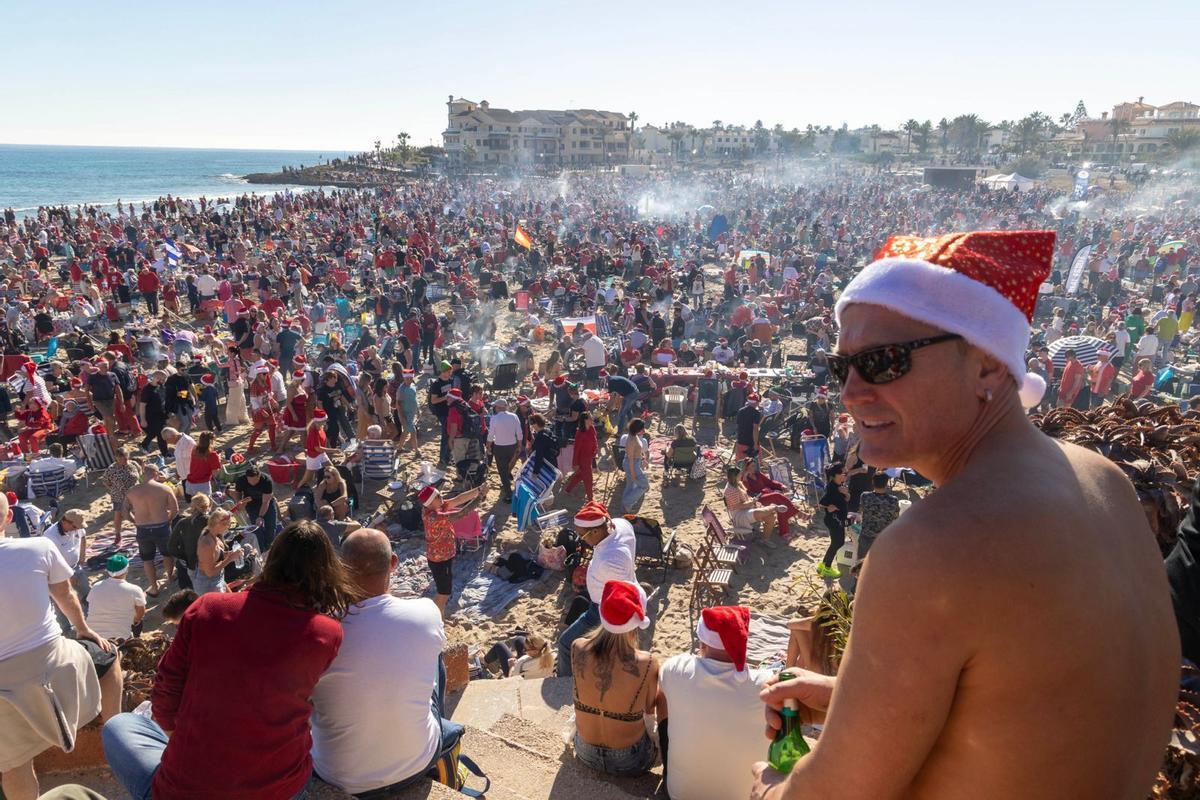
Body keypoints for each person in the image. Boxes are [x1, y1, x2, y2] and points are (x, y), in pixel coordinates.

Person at [750, 230, 1179, 800]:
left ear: (985, 365)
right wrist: (853, 696)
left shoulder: (931, 549)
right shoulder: (1105, 483)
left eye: (883, 362)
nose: (851, 392)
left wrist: (772, 788)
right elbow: (1041, 709)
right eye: (843, 365)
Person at [101, 521, 354, 800]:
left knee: (119, 726)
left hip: (186, 788)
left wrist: (190, 743)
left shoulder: (208, 607)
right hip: (280, 788)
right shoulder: (326, 634)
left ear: (272, 562)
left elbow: (165, 696)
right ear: (327, 572)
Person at [310, 528, 457, 797]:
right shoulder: (426, 612)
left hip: (338, 775)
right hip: (416, 761)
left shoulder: (319, 632)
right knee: (434, 662)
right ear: (393, 563)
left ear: (340, 568)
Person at [0, 488, 120, 800]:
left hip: (3, 688)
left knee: (13, 764)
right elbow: (66, 596)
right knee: (110, 657)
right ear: (9, 517)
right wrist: (83, 630)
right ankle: (116, 740)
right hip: (52, 666)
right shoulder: (38, 546)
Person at [658, 605, 772, 800]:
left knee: (667, 704)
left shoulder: (674, 669)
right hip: (744, 795)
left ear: (702, 644)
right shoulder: (766, 683)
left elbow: (662, 706)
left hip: (681, 793)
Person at [571, 580, 659, 778]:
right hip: (629, 760)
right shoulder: (648, 662)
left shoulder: (577, 647)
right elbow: (650, 713)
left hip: (585, 750)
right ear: (636, 622)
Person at [557, 501, 638, 676]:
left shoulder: (610, 560)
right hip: (608, 596)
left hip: (604, 609)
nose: (581, 539)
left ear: (595, 531)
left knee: (565, 644)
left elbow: (617, 596)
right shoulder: (621, 525)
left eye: (582, 535)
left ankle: (563, 685)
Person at [418, 484, 482, 615]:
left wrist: (478, 489)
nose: (441, 496)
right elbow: (462, 513)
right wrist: (480, 497)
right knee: (444, 594)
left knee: (443, 591)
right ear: (430, 502)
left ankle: (439, 618)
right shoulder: (434, 517)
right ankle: (436, 619)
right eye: (437, 496)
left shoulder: (433, 507)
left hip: (441, 557)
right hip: (441, 561)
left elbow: (458, 500)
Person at [123, 462, 179, 597]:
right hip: (161, 526)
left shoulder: (132, 491)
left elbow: (124, 511)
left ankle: (154, 587)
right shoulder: (164, 489)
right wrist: (169, 519)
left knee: (147, 559)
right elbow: (175, 509)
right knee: (167, 554)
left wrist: (134, 521)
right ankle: (170, 578)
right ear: (155, 473)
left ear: (143, 474)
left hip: (143, 528)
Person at [85, 554, 146, 642]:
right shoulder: (135, 589)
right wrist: (134, 620)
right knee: (138, 620)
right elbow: (141, 612)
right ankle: (136, 638)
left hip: (93, 636)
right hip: (120, 637)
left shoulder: (96, 586)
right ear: (126, 570)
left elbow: (90, 604)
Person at [723, 464, 782, 547]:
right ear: (735, 476)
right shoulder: (730, 490)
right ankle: (774, 507)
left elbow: (745, 495)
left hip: (746, 508)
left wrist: (752, 500)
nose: (741, 476)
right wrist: (751, 502)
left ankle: (764, 540)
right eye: (739, 475)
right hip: (739, 514)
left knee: (771, 517)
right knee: (763, 512)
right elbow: (738, 506)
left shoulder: (737, 483)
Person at [230, 462, 280, 551]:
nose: (252, 483)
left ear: (259, 476)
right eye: (250, 480)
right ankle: (261, 549)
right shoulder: (241, 480)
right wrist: (239, 503)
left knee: (271, 528)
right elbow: (238, 493)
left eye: (255, 480)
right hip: (251, 504)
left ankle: (269, 547)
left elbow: (265, 502)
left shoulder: (266, 481)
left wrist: (260, 516)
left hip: (266, 502)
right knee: (257, 530)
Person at [167, 493, 211, 592]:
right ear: (207, 507)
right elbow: (223, 546)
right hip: (206, 566)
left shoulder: (182, 522)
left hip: (186, 567)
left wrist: (183, 558)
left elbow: (171, 547)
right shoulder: (210, 522)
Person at [856, 472, 900, 560]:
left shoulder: (865, 496)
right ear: (886, 483)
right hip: (884, 537)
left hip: (867, 535)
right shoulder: (893, 500)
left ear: (873, 482)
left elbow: (861, 511)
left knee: (861, 562)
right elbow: (896, 517)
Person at [815, 463, 849, 578]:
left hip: (839, 519)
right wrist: (829, 507)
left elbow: (847, 499)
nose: (845, 475)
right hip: (834, 520)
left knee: (835, 543)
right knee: (838, 542)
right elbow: (821, 503)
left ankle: (822, 565)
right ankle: (827, 568)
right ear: (835, 475)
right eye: (843, 473)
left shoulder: (841, 485)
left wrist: (846, 494)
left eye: (846, 473)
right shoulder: (832, 487)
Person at [486, 397, 521, 503]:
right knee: (508, 467)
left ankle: (508, 493)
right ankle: (508, 485)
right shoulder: (514, 416)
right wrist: (519, 446)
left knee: (502, 470)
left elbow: (491, 435)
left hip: (500, 447)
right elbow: (519, 433)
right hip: (512, 446)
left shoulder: (494, 418)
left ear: (497, 407)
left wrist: (488, 446)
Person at [563, 412, 598, 500]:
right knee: (588, 478)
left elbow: (595, 440)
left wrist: (595, 450)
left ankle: (567, 490)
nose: (592, 419)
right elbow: (576, 449)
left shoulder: (591, 428)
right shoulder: (580, 433)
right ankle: (590, 498)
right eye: (590, 418)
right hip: (582, 459)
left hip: (589, 457)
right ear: (585, 420)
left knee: (581, 475)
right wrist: (575, 463)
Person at [622, 418, 650, 512]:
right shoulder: (630, 440)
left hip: (635, 462)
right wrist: (633, 473)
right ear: (637, 429)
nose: (644, 431)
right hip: (632, 464)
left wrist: (643, 459)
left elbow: (638, 451)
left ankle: (626, 507)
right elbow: (630, 458)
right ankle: (627, 502)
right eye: (642, 429)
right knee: (644, 485)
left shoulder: (635, 436)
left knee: (630, 485)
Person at [181, 431, 220, 498]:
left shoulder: (195, 449)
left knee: (196, 504)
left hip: (190, 483)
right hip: (202, 485)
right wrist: (219, 461)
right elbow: (215, 473)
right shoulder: (212, 455)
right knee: (205, 505)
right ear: (211, 441)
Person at [734, 392, 764, 461]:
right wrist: (755, 444)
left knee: (740, 461)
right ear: (756, 402)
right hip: (750, 441)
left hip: (741, 439)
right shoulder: (756, 413)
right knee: (755, 460)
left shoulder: (740, 411)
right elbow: (755, 429)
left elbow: (738, 425)